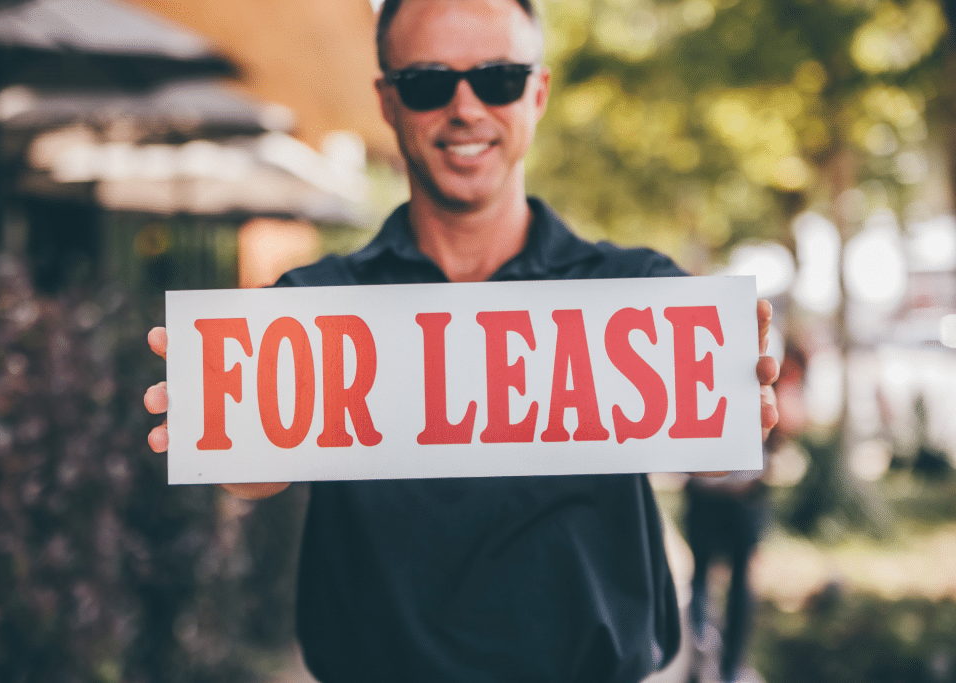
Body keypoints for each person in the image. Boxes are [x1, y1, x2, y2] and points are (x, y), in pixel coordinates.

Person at [144, 1, 781, 681]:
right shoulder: (314, 306)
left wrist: (737, 437)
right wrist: (226, 440)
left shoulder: (638, 291)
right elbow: (253, 470)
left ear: (538, 93)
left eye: (498, 78)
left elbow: (722, 465)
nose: (466, 107)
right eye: (428, 83)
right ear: (388, 103)